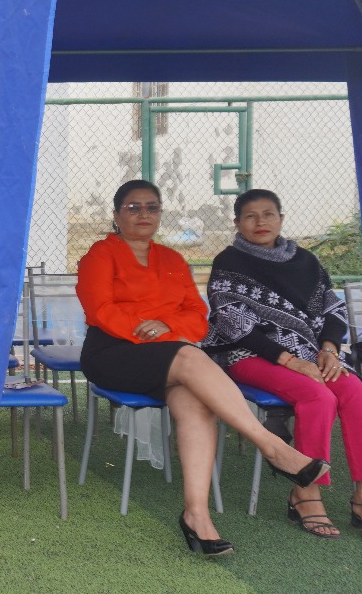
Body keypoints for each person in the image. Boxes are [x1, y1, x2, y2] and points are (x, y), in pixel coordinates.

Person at [76, 179, 329, 556]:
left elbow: (197, 315)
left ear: (160, 214)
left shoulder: (173, 260)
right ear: (116, 215)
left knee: (197, 404)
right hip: (113, 353)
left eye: (151, 207)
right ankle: (272, 446)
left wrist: (166, 327)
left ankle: (196, 516)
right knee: (192, 357)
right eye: (133, 207)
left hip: (169, 355)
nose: (143, 214)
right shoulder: (99, 255)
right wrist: (150, 330)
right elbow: (100, 309)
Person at [202, 188, 362, 538]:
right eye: (250, 216)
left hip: (312, 354)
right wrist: (291, 361)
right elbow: (233, 323)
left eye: (268, 214)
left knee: (354, 391)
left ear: (281, 219)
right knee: (318, 396)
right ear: (237, 222)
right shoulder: (229, 262)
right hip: (248, 355)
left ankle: (361, 494)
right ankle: (305, 491)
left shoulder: (305, 261)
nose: (260, 222)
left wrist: (329, 349)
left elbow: (332, 309)